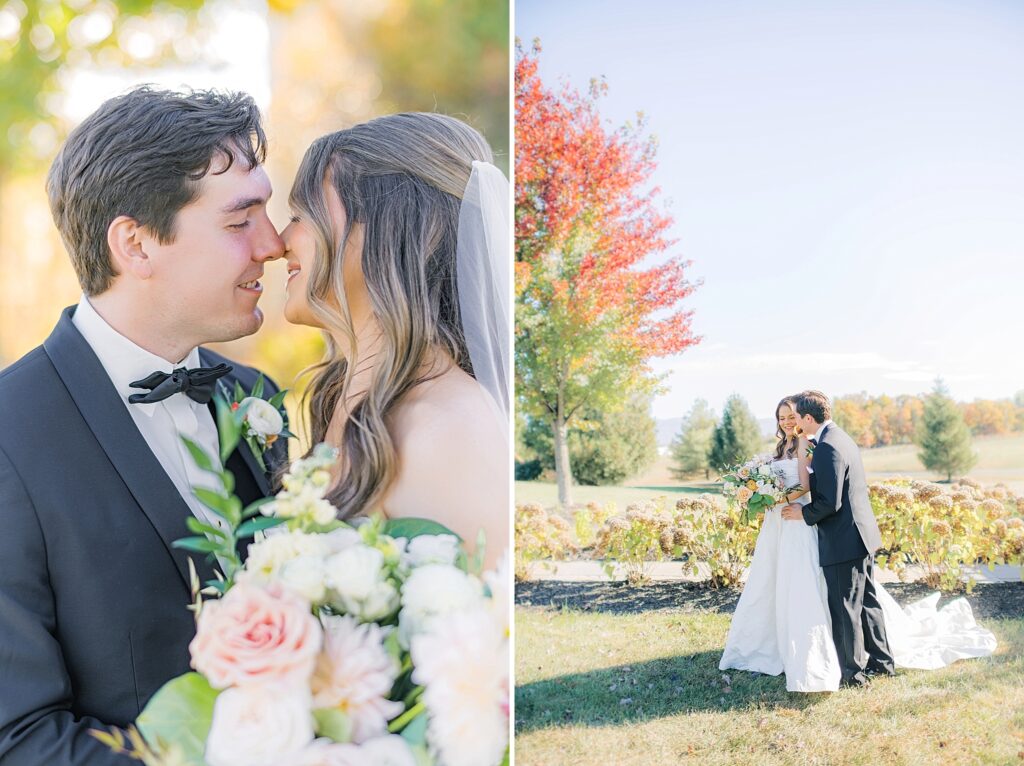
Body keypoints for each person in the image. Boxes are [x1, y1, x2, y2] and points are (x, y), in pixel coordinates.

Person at [0, 87, 289, 763]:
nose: (274, 245)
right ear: (136, 244)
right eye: (240, 220)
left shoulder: (256, 397)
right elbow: (19, 738)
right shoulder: (9, 434)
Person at [280, 112, 509, 566]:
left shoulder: (448, 430)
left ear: (391, 228)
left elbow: (478, 631)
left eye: (301, 215)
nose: (280, 241)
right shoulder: (339, 403)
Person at [722, 391, 996, 692]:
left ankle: (853, 674)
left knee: (845, 607)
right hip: (857, 534)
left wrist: (801, 511)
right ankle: (882, 661)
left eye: (797, 417)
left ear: (808, 418)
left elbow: (830, 502)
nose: (793, 423)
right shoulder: (838, 438)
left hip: (842, 537)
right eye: (785, 418)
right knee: (866, 601)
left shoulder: (826, 447)